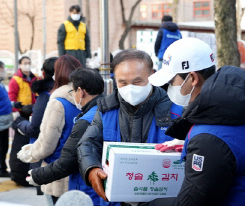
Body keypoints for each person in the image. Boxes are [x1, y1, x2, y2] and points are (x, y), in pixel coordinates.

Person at [145, 38, 245, 206]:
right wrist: (193, 146)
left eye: (171, 81)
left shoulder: (210, 140)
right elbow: (236, 147)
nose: (168, 87)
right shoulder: (243, 104)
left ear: (192, 78)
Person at [76, 50, 184, 206]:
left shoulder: (176, 110)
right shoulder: (106, 110)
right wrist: (91, 169)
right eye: (123, 83)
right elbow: (88, 143)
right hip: (115, 200)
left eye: (137, 81)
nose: (130, 88)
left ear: (152, 75)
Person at [25, 68, 104, 206]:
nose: (73, 94)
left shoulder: (86, 120)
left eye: (73, 91)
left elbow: (69, 160)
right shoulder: (107, 111)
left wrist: (37, 175)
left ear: (81, 91)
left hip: (87, 188)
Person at [17, 54, 81, 204]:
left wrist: (28, 153)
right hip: (81, 170)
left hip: (57, 170)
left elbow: (47, 144)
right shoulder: (86, 99)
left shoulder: (58, 102)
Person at [11, 57, 57, 191]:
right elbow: (12, 96)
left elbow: (35, 129)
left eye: (28, 63)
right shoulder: (16, 79)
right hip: (24, 112)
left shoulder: (44, 91)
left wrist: (19, 123)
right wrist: (17, 110)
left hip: (31, 120)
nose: (27, 65)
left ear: (44, 73)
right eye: (24, 63)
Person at [0, 60, 21, 185]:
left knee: (3, 147)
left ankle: (2, 169)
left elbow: (2, 102)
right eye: (2, 68)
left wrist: (14, 104)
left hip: (4, 122)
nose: (4, 70)